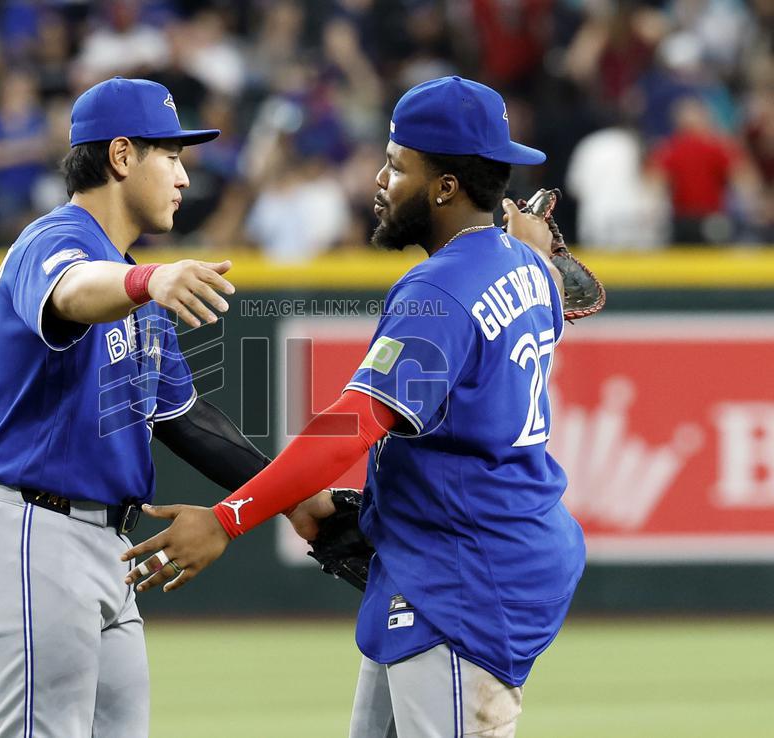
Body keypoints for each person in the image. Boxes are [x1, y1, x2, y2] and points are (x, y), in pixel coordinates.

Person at [122, 76, 585, 738]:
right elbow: (525, 253)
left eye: (398, 165)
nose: (379, 179)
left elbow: (351, 428)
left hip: (463, 577)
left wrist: (230, 517)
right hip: (473, 545)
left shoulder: (443, 290)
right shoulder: (527, 265)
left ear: (447, 187)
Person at [0, 77, 276, 738]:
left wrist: (296, 498)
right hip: (31, 535)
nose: (183, 175)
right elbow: (72, 293)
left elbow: (186, 420)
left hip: (105, 552)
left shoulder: (131, 284)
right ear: (122, 156)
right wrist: (150, 279)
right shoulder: (55, 241)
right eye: (170, 156)